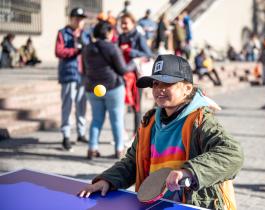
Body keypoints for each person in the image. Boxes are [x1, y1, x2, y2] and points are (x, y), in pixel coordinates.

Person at [78, 54, 244, 209]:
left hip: (193, 204)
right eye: (155, 83)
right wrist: (107, 180)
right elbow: (133, 162)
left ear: (187, 88)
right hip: (157, 203)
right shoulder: (149, 122)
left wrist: (189, 171)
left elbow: (232, 153)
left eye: (167, 83)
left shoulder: (201, 121)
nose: (159, 89)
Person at [82, 21, 135, 160]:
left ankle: (92, 149)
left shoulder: (87, 48)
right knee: (117, 119)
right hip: (112, 87)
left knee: (96, 119)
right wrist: (134, 63)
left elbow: (84, 69)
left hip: (92, 88)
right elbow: (122, 69)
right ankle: (119, 149)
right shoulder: (112, 48)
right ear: (108, 33)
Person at [55, 7, 91, 151]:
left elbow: (90, 49)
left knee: (81, 105)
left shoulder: (86, 34)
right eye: (77, 18)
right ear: (70, 19)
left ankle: (81, 133)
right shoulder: (62, 33)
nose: (79, 21)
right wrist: (75, 50)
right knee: (67, 105)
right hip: (69, 74)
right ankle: (66, 135)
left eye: (81, 18)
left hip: (84, 74)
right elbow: (58, 51)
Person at [118, 12, 152, 135]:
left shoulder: (139, 36)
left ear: (133, 23)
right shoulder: (121, 37)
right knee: (120, 106)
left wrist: (129, 50)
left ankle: (136, 134)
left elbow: (148, 54)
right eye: (122, 23)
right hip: (123, 75)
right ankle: (121, 133)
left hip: (136, 76)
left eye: (126, 23)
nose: (123, 25)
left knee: (136, 106)